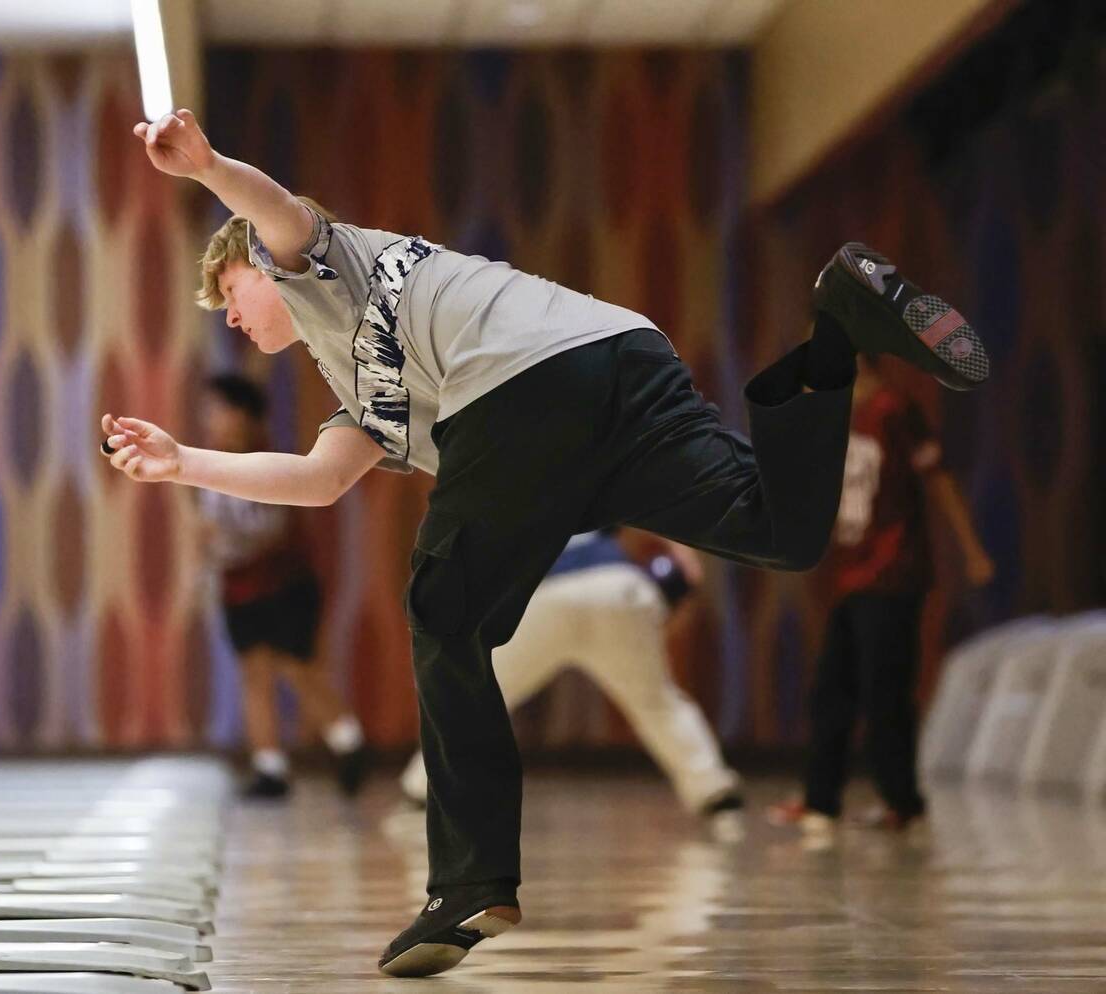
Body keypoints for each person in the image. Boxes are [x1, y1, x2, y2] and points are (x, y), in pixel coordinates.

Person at [99, 109, 988, 977]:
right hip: (622, 360)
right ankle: (834, 334)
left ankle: (469, 884)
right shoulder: (361, 380)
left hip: (520, 382)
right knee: (782, 531)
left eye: (226, 296)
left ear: (255, 262)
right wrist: (181, 464)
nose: (228, 318)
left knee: (443, 610)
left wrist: (207, 168)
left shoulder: (318, 262)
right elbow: (321, 478)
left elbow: (276, 210)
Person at [767, 355, 995, 841]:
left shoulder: (895, 408)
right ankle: (820, 800)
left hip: (893, 572)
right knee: (831, 689)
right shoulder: (835, 416)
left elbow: (938, 478)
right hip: (849, 574)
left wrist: (972, 549)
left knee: (884, 691)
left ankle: (902, 802)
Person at [398, 529, 743, 822]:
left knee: (479, 696)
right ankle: (712, 788)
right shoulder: (600, 455)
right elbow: (656, 500)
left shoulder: (508, 467)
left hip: (545, 592)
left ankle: (421, 791)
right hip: (616, 585)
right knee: (658, 702)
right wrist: (683, 553)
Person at [197, 373, 369, 799]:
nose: (211, 420)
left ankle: (350, 741)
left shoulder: (269, 459)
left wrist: (220, 539)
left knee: (297, 668)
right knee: (253, 672)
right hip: (238, 586)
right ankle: (269, 766)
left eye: (219, 410)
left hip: (281, 582)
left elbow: (268, 527)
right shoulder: (209, 462)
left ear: (243, 415)